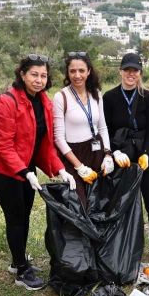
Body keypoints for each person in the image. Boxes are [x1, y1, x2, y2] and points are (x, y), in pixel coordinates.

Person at [0, 54, 76, 291]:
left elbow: (44, 144)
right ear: (22, 75)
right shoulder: (7, 102)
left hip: (25, 167)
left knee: (24, 214)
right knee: (15, 216)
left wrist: (60, 169)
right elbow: (3, 145)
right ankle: (21, 271)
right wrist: (24, 171)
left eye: (43, 75)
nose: (39, 80)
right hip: (1, 168)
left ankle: (18, 261)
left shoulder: (43, 101)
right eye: (34, 74)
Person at [103, 53, 149, 258]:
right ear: (121, 71)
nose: (131, 74)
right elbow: (105, 128)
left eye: (135, 70)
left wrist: (146, 154)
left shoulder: (147, 97)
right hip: (121, 153)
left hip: (146, 151)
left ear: (140, 72)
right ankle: (124, 250)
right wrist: (114, 152)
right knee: (123, 205)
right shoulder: (109, 97)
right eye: (127, 70)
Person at [53, 52, 115, 208]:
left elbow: (102, 127)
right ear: (67, 73)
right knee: (79, 206)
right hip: (73, 155)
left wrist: (108, 154)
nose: (77, 75)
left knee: (100, 204)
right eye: (72, 71)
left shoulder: (96, 94)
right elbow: (58, 138)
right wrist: (78, 166)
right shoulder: (61, 97)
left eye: (81, 70)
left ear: (88, 71)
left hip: (96, 152)